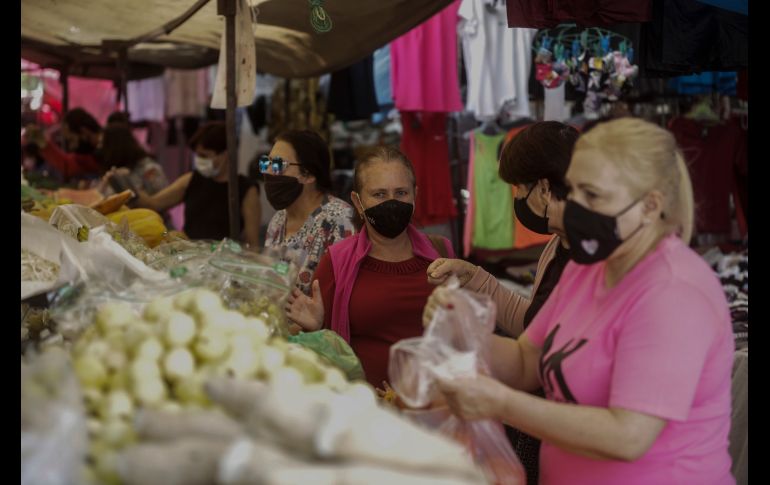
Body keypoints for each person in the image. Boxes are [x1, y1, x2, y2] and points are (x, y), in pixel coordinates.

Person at [425, 118, 735, 485]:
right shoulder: (587, 268)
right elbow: (527, 359)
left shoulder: (672, 290)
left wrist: (502, 404)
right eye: (572, 191)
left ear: (650, 206)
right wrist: (462, 325)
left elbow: (628, 435)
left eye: (593, 195)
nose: (574, 207)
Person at [425, 121, 579, 484]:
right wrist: (473, 281)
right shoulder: (558, 248)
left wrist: (466, 330)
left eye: (519, 189)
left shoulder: (597, 264)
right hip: (546, 428)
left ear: (543, 188)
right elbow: (533, 337)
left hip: (557, 428)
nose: (516, 200)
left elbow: (628, 432)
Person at [285, 146, 454, 389]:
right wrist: (315, 328)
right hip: (369, 409)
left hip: (439, 404)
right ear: (358, 201)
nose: (392, 202)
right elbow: (324, 349)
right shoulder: (337, 262)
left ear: (415, 195)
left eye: (401, 192)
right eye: (379, 194)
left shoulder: (442, 252)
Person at [126, 121, 261, 246]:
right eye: (197, 155)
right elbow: (153, 203)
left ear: (225, 155)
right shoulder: (191, 179)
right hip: (189, 254)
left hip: (222, 261)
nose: (199, 160)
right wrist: (126, 185)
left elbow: (252, 243)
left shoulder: (247, 190)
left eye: (205, 155)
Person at [261, 130, 356, 295]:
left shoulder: (340, 220)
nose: (268, 171)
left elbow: (342, 295)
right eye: (265, 163)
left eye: (277, 164)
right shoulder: (278, 219)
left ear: (309, 174)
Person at [23, 108, 104, 182]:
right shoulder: (92, 150)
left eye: (72, 140)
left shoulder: (106, 148)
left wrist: (45, 145)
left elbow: (68, 166)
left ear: (84, 132)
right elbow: (68, 164)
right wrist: (44, 144)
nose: (72, 146)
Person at [97, 123, 169, 196]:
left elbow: (162, 197)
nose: (99, 147)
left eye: (102, 143)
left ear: (115, 146)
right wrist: (105, 182)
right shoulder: (112, 170)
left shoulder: (148, 168)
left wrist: (127, 180)